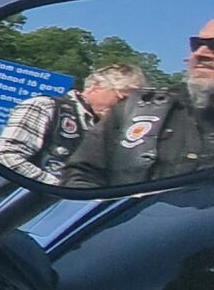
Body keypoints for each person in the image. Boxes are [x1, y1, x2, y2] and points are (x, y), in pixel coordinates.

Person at [57, 18, 214, 190]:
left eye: (213, 46)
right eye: (196, 44)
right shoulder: (136, 110)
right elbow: (80, 175)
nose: (200, 53)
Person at [0, 64, 145, 182]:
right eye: (121, 99)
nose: (123, 108)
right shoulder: (45, 107)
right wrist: (61, 189)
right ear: (96, 86)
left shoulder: (112, 133)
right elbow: (6, 157)